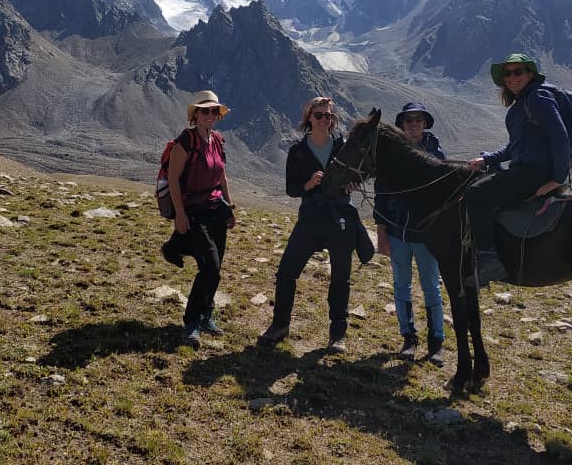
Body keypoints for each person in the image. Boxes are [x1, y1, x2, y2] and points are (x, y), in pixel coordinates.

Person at [258, 96, 370, 353]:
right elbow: (291, 188)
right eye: (318, 115)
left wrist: (352, 184)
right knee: (286, 272)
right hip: (310, 217)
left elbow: (359, 174)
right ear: (308, 117)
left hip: (339, 217)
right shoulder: (298, 150)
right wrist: (308, 184)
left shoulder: (343, 146)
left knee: (341, 277)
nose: (324, 120)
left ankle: (337, 335)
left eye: (328, 116)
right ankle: (280, 325)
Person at [465, 54, 569, 286]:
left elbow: (560, 138)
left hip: (533, 173)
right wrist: (487, 159)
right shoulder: (524, 102)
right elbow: (515, 147)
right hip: (525, 169)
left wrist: (558, 178)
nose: (512, 78)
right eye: (508, 73)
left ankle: (490, 260)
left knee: (475, 195)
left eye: (518, 72)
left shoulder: (538, 97)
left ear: (530, 73)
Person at [160, 90, 236, 348]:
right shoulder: (187, 140)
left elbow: (222, 176)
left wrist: (230, 206)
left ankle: (206, 315)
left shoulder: (217, 140)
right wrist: (180, 214)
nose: (210, 115)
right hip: (194, 210)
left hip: (216, 209)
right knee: (211, 268)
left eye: (214, 111)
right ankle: (191, 323)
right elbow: (173, 178)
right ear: (195, 114)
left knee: (214, 269)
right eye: (205, 110)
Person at [374, 102, 447, 364]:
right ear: (402, 125)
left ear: (425, 123)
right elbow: (381, 194)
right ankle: (409, 338)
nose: (413, 124)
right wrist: (381, 232)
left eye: (418, 119)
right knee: (401, 285)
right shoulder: (391, 155)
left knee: (431, 287)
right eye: (408, 120)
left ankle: (436, 341)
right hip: (396, 231)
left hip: (426, 235)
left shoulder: (436, 154)